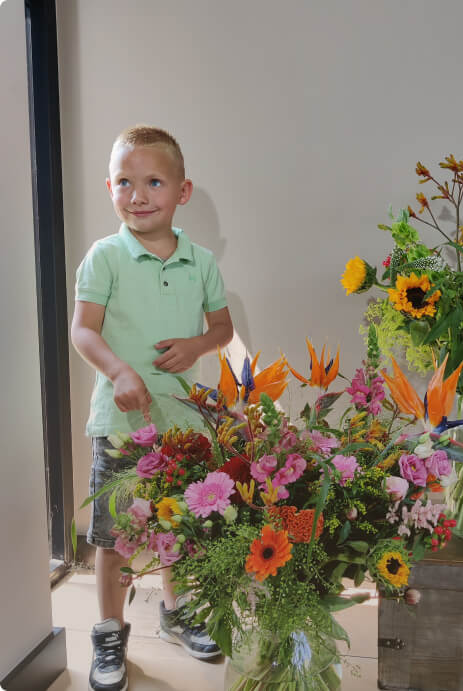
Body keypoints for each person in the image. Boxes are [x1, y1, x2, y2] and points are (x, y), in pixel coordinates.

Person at [71, 125, 234, 691]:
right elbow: (83, 330)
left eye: (153, 182)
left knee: (179, 530)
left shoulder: (201, 262)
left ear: (181, 192)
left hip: (184, 426)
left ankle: (175, 610)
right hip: (122, 427)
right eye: (124, 182)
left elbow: (222, 327)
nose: (137, 195)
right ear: (109, 188)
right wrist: (118, 370)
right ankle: (110, 630)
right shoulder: (105, 257)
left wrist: (197, 346)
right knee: (115, 538)